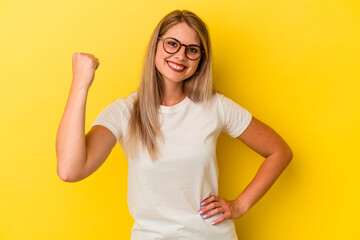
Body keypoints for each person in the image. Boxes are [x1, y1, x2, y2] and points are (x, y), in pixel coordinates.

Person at [56, 9, 293, 240]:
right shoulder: (124, 112)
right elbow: (70, 170)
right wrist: (80, 84)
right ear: (156, 45)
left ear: (201, 59)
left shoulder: (216, 106)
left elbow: (279, 151)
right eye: (172, 44)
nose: (180, 56)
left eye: (192, 50)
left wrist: (240, 204)